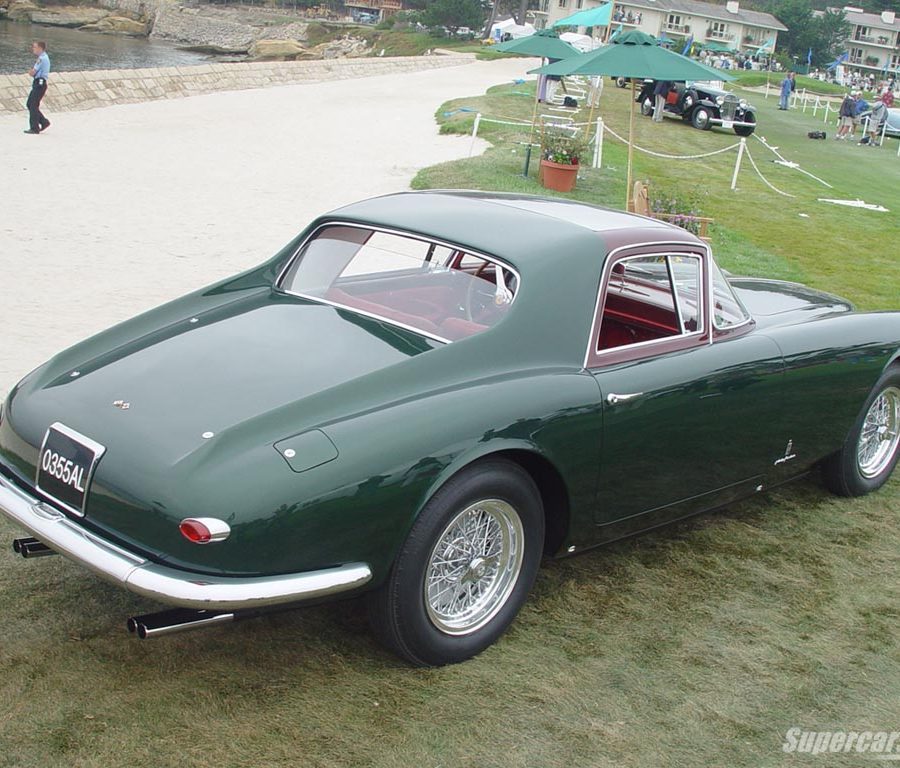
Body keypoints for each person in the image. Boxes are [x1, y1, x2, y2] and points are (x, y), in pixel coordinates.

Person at [24, 40, 50, 135]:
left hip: (39, 83)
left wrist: (30, 72)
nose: (33, 49)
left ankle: (35, 128)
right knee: (30, 104)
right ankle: (43, 121)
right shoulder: (44, 57)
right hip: (40, 83)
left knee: (32, 105)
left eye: (34, 47)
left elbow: (33, 72)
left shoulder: (41, 59)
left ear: (40, 48)